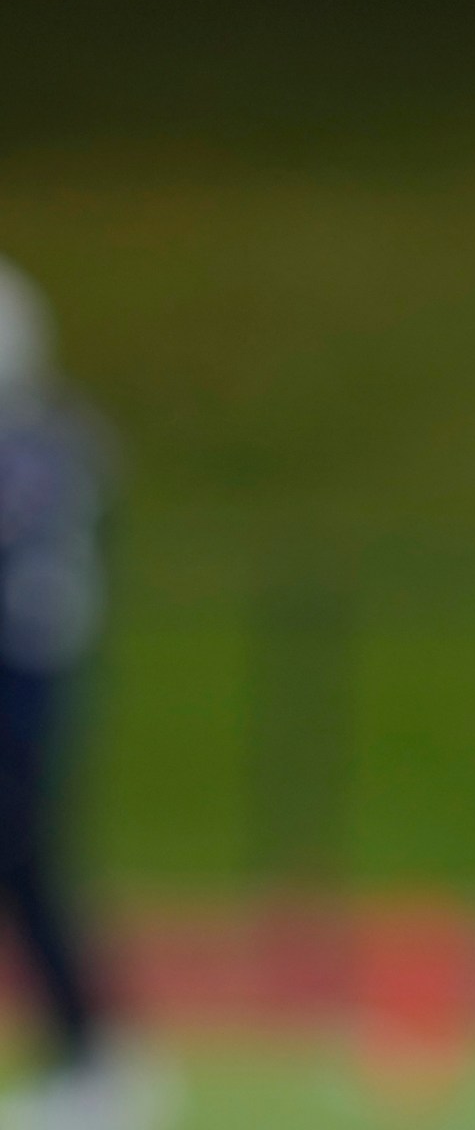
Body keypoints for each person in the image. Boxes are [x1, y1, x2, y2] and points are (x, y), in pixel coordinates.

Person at [0, 257, 155, 1130]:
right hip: (41, 671)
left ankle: (93, 1051)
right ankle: (89, 1048)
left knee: (25, 860)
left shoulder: (33, 447)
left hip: (21, 676)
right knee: (28, 868)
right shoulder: (62, 434)